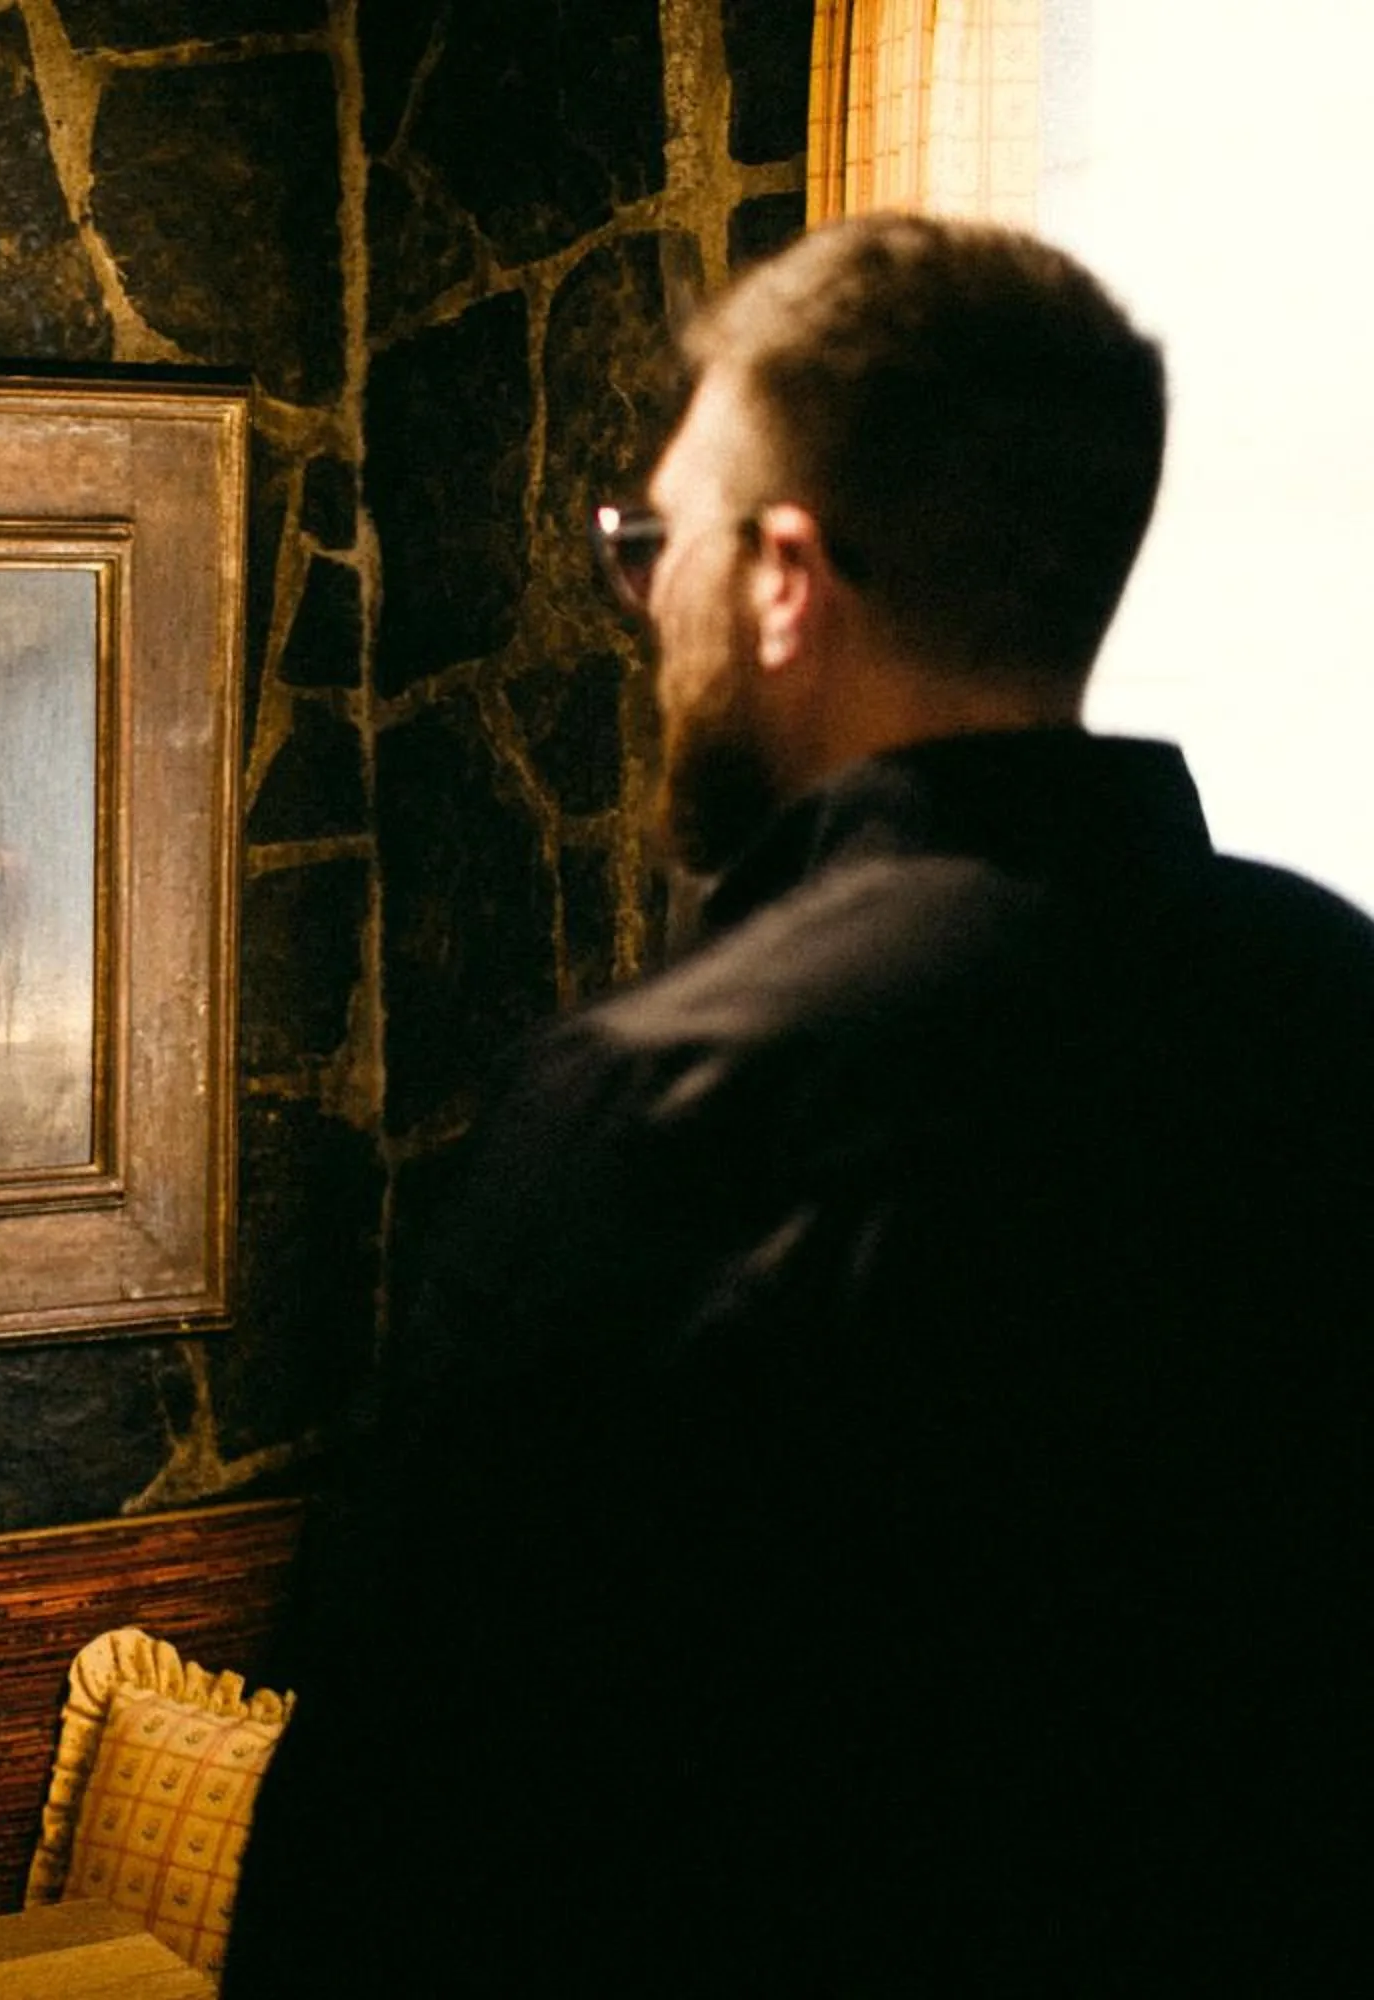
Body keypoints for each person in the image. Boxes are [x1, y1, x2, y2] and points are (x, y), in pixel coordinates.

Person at [225, 214, 1374, 1993]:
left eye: (650, 545)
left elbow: (394, 1862)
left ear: (779, 579)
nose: (643, 602)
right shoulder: (1340, 1003)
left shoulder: (663, 1111)